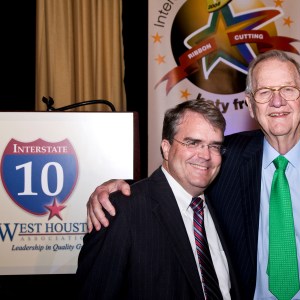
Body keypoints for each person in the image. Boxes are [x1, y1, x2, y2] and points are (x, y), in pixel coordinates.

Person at [86, 50, 300, 299]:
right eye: (265, 92)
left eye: (287, 89)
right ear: (250, 105)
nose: (277, 101)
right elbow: (179, 170)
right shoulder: (223, 158)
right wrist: (119, 190)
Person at [76, 99, 241, 299]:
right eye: (193, 143)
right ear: (166, 147)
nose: (205, 155)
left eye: (214, 146)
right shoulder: (120, 212)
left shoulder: (225, 203)